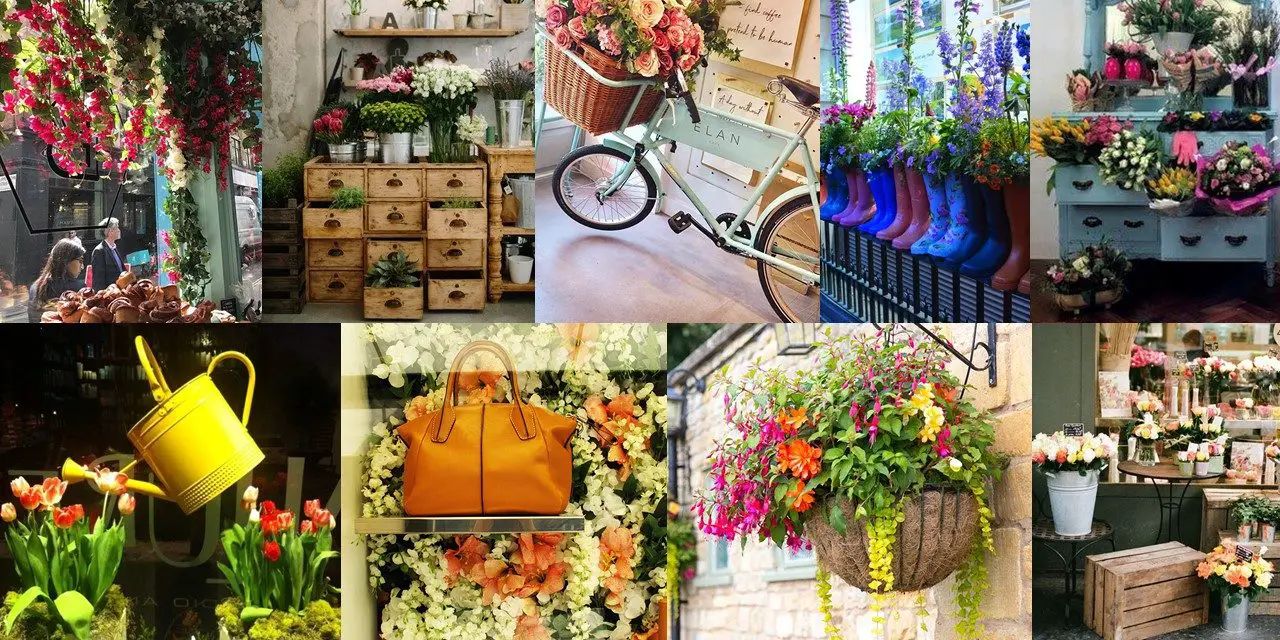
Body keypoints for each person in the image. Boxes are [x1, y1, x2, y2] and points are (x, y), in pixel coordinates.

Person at [27, 238, 85, 322]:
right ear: (67, 261)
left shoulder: (36, 286)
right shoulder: (78, 288)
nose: (82, 266)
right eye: (80, 260)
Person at [88, 217, 128, 291]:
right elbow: (98, 280)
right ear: (109, 231)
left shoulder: (114, 248)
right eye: (117, 228)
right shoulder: (99, 251)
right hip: (108, 294)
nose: (119, 230)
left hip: (119, 292)